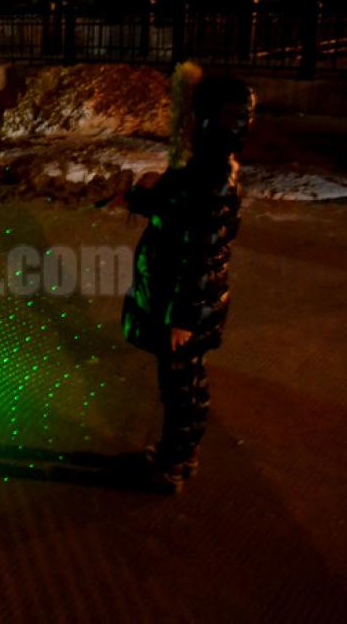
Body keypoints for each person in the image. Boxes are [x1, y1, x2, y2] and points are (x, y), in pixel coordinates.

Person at [121, 66, 255, 492]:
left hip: (184, 302)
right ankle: (176, 453)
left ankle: (176, 463)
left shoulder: (215, 175)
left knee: (183, 384)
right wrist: (138, 195)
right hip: (174, 293)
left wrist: (184, 317)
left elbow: (204, 253)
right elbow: (172, 206)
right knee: (180, 379)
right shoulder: (201, 166)